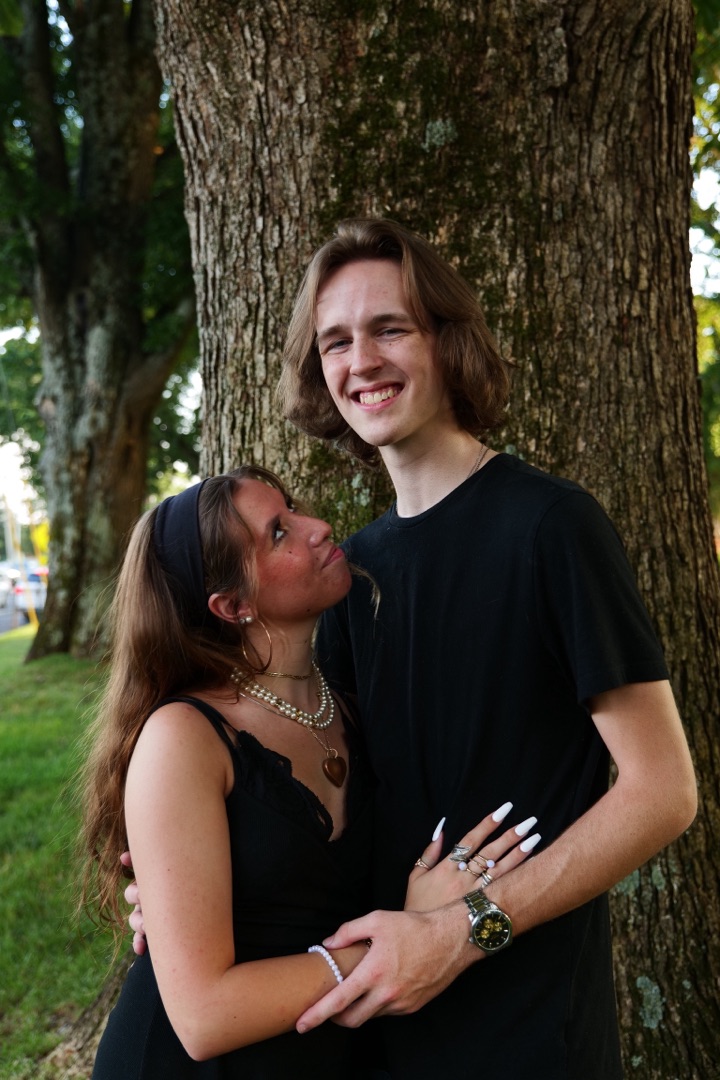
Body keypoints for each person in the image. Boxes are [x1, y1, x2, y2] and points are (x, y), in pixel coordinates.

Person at [273, 218, 697, 1078]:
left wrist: (462, 932)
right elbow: (331, 805)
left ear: (447, 341)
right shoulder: (350, 574)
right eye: (336, 341)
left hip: (534, 1028)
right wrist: (184, 891)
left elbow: (663, 793)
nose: (362, 361)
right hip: (389, 1018)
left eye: (391, 328)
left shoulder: (552, 527)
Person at [80, 463, 535, 1079]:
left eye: (294, 510)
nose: (318, 527)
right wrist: (401, 940)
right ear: (232, 604)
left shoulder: (346, 703)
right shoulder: (183, 739)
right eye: (278, 534)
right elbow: (203, 1016)